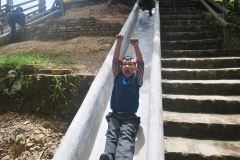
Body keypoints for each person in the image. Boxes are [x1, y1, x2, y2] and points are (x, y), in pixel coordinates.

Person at [99, 34, 144, 160]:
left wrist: (136, 46)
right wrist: (119, 43)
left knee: (126, 136)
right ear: (120, 67)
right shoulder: (117, 76)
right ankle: (108, 155)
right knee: (111, 134)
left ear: (134, 68)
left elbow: (140, 63)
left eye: (130, 64)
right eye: (124, 64)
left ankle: (123, 158)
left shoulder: (137, 79)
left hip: (130, 117)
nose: (127, 66)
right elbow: (115, 61)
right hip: (115, 115)